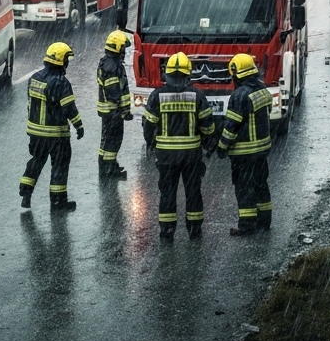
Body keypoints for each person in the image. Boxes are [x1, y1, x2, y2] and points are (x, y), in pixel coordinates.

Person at [143, 51, 215, 241]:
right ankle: (194, 230)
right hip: (191, 156)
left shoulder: (157, 96)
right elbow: (207, 125)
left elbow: (149, 125)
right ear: (188, 73)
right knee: (193, 192)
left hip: (166, 157)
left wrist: (151, 143)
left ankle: (167, 232)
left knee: (167, 194)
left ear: (166, 73)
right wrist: (208, 145)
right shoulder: (197, 95)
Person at [19, 41, 84, 212]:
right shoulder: (61, 82)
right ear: (62, 61)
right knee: (59, 166)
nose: (68, 63)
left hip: (36, 134)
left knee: (37, 161)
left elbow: (30, 104)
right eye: (66, 59)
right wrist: (79, 126)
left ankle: (26, 192)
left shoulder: (35, 78)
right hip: (57, 135)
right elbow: (69, 109)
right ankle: (58, 202)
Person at [218, 53, 273, 236]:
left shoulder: (239, 95)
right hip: (262, 149)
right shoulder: (262, 90)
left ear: (236, 73)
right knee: (261, 184)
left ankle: (247, 225)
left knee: (244, 188)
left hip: (244, 151)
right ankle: (265, 221)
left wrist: (222, 147)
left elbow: (231, 126)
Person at [96, 30, 134, 179]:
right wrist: (123, 111)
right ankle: (110, 169)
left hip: (108, 111)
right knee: (114, 140)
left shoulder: (107, 62)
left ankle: (105, 166)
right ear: (117, 47)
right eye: (123, 47)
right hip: (113, 111)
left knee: (106, 139)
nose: (124, 51)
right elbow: (114, 92)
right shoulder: (113, 66)